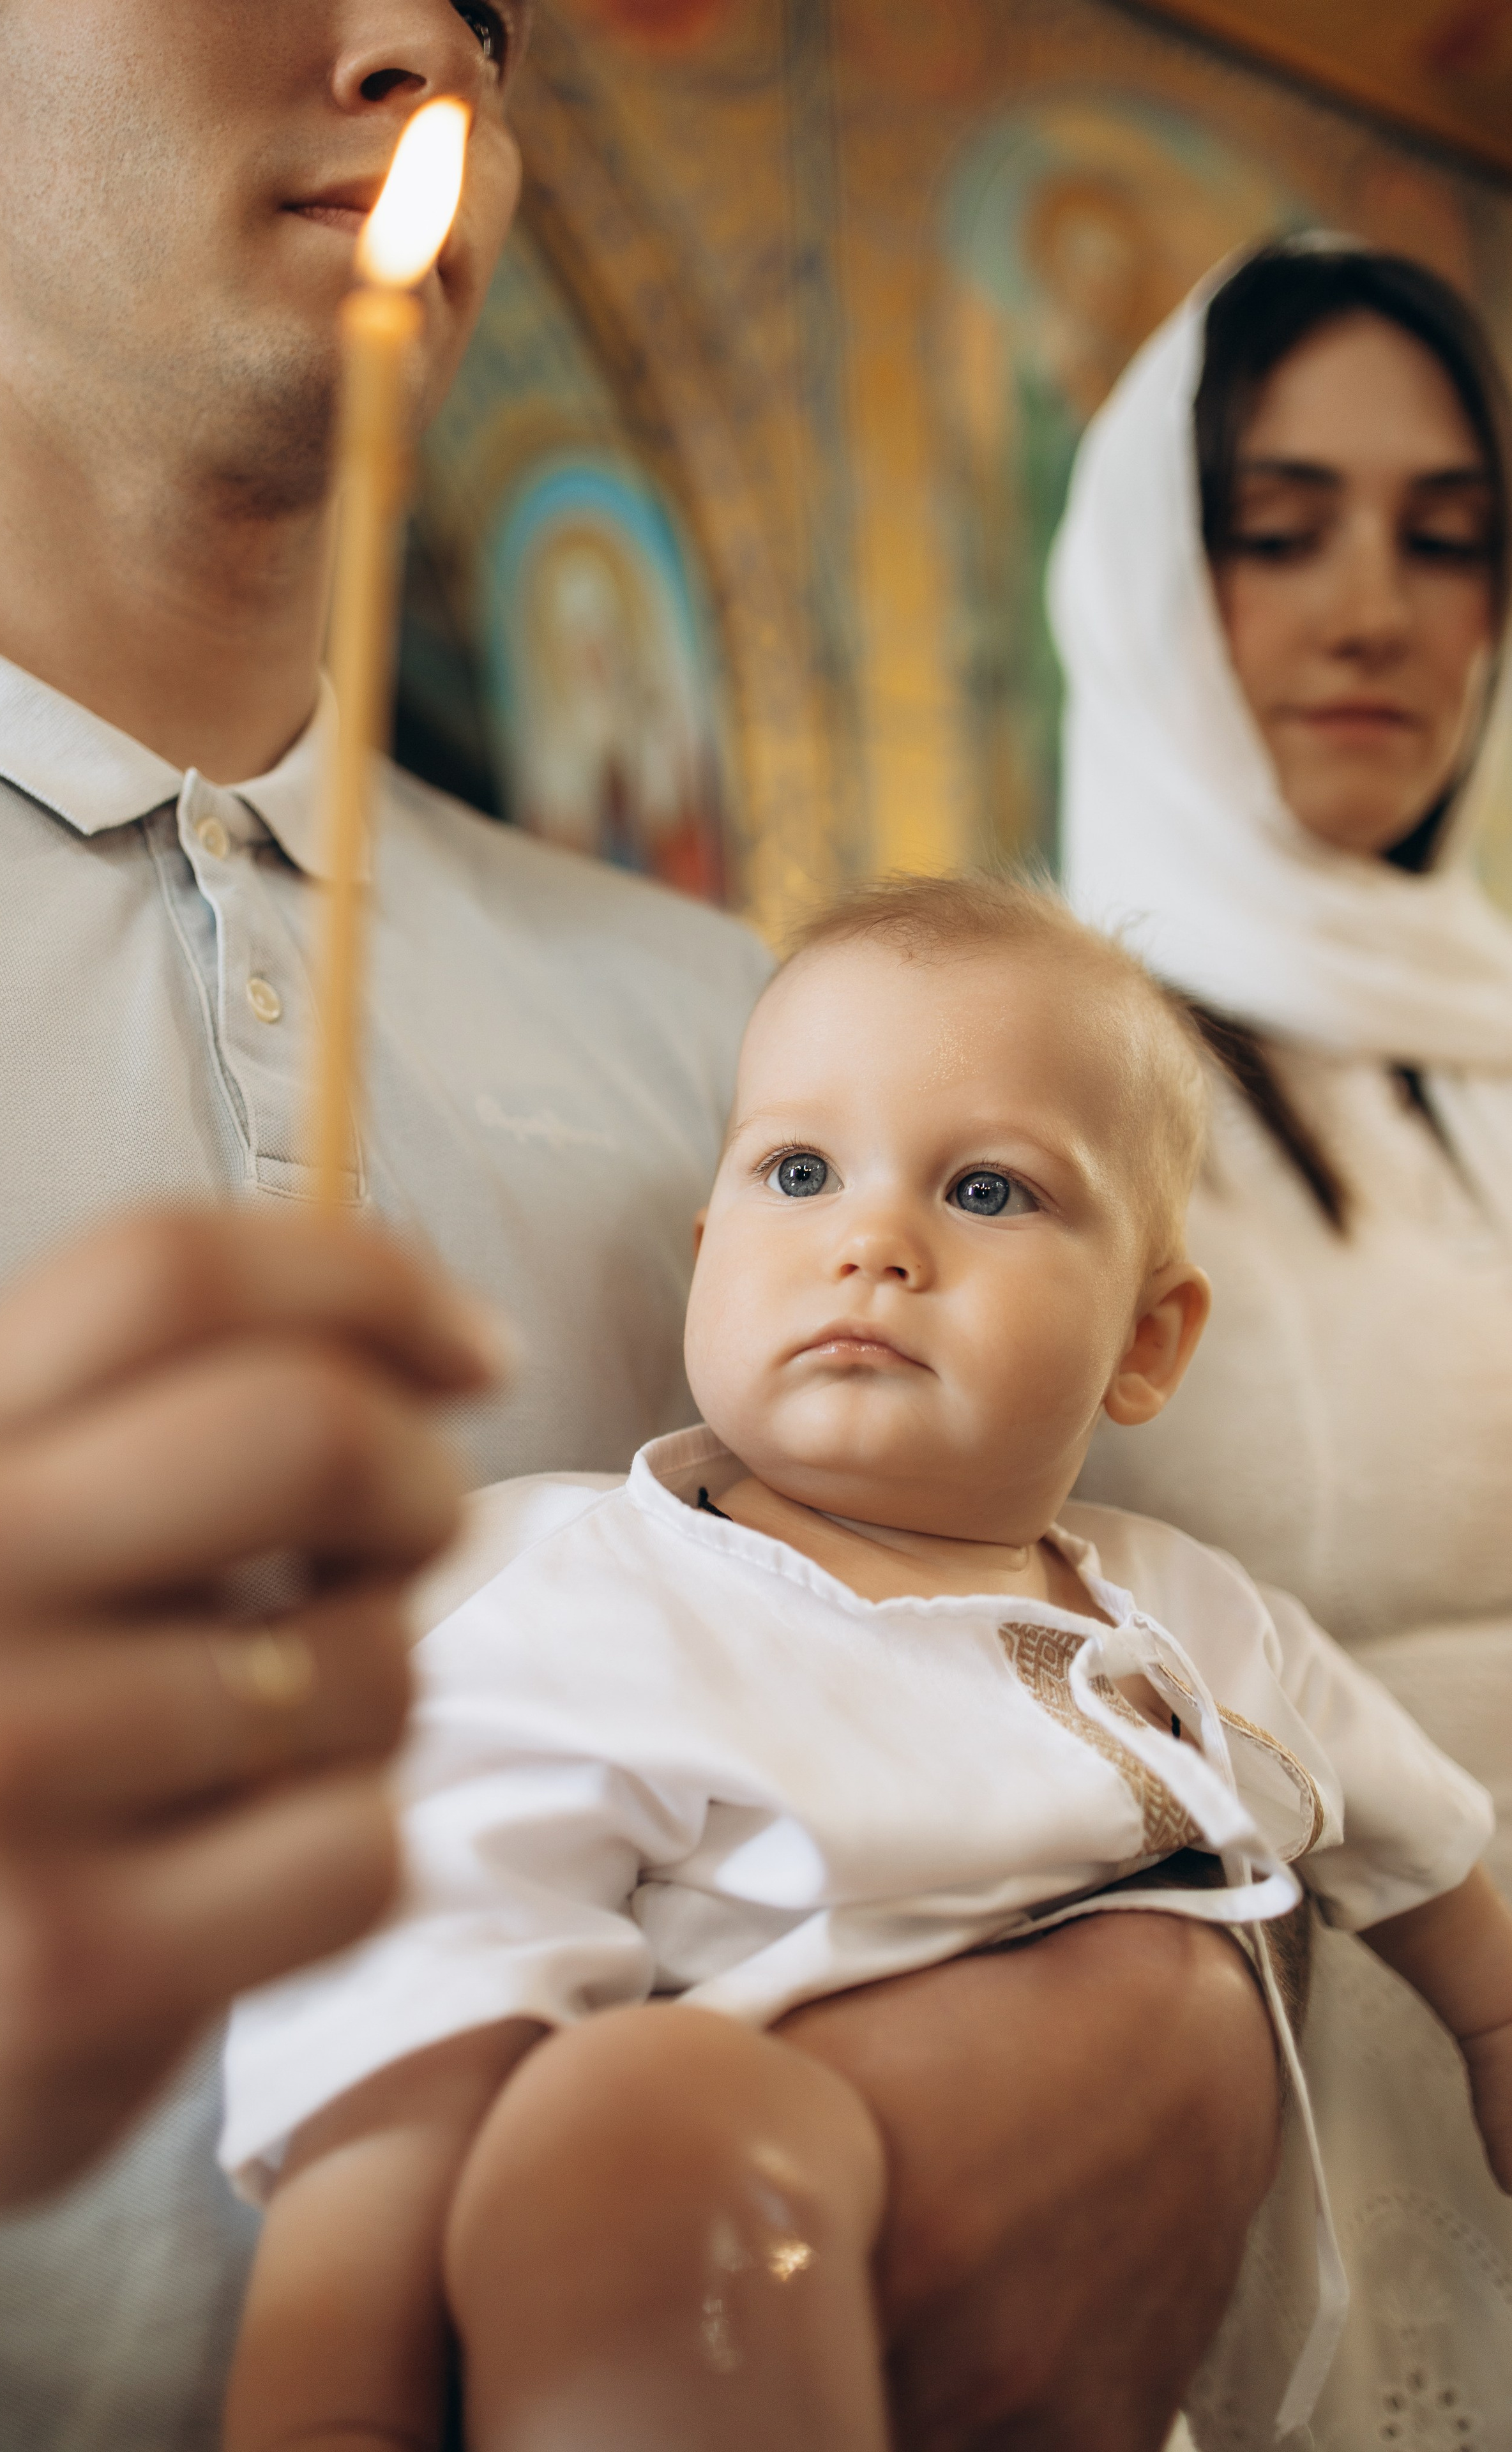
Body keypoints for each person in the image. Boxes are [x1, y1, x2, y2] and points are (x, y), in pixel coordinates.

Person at [0, 0, 1346, 2437]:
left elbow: (1091, 1704)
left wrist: (1175, 2040)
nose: (408, 49)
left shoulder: (751, 1060)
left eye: (482, 7)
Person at [218, 875, 1511, 2452]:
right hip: (684, 2284)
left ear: (1146, 1343)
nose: (870, 1243)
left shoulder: (1185, 1616)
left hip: (1110, 2335)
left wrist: (1492, 2028)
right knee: (632, 2124)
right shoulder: (584, 1596)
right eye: (800, 1171)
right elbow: (413, 2001)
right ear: (706, 1253)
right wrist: (331, 2401)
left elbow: (1410, 1830)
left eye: (986, 1193)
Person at [1050, 236, 1512, 2441]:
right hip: (1280, 2093)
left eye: (1448, 543)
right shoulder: (1030, 1067)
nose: (1374, 613)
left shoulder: (1491, 1053)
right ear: (1144, 581)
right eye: (1278, 527)